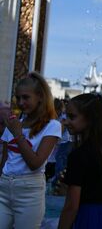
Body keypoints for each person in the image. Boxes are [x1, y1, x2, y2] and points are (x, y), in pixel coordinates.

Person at [0, 72, 62, 229]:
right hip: (4, 186)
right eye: (18, 97)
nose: (20, 102)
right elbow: (5, 161)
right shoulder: (15, 124)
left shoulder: (52, 126)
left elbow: (35, 162)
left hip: (29, 192)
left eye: (26, 97)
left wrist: (18, 134)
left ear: (40, 97)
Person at [58, 93, 102, 229]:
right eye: (66, 116)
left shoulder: (79, 155)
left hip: (90, 217)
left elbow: (71, 206)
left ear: (89, 118)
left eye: (72, 117)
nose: (66, 121)